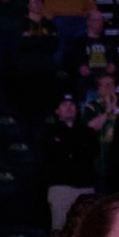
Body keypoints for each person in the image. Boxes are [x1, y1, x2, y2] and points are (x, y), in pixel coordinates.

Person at [33, 0, 95, 68]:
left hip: (79, 20)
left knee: (86, 41)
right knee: (58, 43)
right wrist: (48, 16)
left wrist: (91, 15)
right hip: (56, 20)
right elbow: (35, 0)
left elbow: (91, 4)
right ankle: (58, 69)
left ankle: (82, 68)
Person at [41, 93, 90, 228]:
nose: (69, 107)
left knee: (85, 230)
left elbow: (92, 152)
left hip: (85, 187)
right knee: (59, 229)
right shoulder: (49, 133)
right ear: (57, 110)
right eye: (64, 105)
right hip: (60, 187)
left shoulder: (86, 132)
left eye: (72, 104)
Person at [78, 71, 119, 188]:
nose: (109, 87)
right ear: (98, 89)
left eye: (111, 84)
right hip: (99, 159)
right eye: (105, 85)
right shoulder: (91, 106)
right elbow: (91, 127)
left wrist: (115, 108)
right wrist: (108, 111)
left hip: (118, 160)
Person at [74, 10, 114, 81]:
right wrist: (79, 67)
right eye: (97, 20)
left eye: (101, 20)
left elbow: (115, 59)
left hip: (105, 78)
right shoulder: (79, 42)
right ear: (88, 22)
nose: (100, 23)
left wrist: (113, 65)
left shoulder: (108, 41)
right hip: (87, 80)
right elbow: (73, 61)